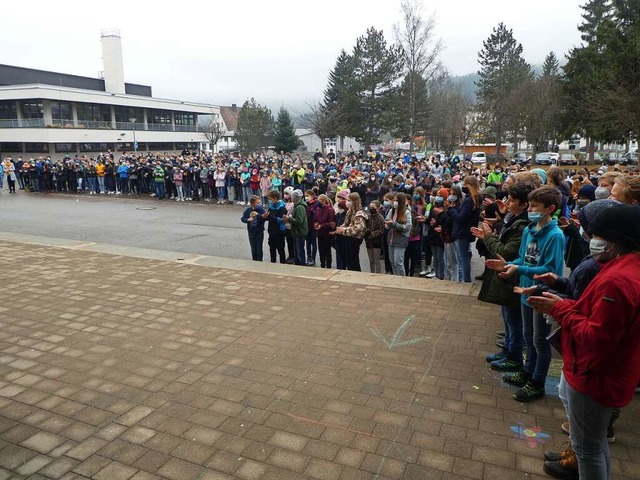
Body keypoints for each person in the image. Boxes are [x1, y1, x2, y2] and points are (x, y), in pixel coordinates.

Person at [528, 204, 640, 480]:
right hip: (606, 371)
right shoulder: (623, 267)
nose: (592, 240)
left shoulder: (618, 280)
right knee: (594, 443)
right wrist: (563, 295)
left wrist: (560, 309)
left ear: (616, 240)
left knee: (588, 449)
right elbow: (594, 311)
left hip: (596, 373)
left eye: (597, 235)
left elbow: (597, 338)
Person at [486, 185, 566, 402]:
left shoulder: (555, 236)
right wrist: (507, 265)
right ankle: (527, 371)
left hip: (541, 294)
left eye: (534, 206)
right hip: (524, 291)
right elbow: (522, 259)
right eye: (529, 205)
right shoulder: (530, 230)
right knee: (529, 337)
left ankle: (537, 381)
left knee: (540, 340)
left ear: (549, 208)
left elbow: (549, 271)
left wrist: (518, 269)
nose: (530, 209)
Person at [475, 181, 535, 372]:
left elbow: (504, 252)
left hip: (513, 278)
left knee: (514, 320)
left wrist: (488, 237)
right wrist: (502, 218)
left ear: (524, 205)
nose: (507, 203)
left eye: (511, 200)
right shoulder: (515, 220)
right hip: (507, 278)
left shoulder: (523, 225)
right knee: (507, 317)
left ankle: (514, 356)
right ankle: (508, 350)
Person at [448, 176, 482, 282]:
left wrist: (452, 209)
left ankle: (465, 279)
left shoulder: (469, 200)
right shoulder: (472, 198)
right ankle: (463, 278)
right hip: (464, 231)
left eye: (465, 184)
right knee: (462, 257)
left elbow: (461, 218)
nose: (463, 186)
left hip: (463, 232)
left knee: (462, 257)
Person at [335, 192, 367, 271]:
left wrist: (343, 230)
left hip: (355, 239)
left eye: (349, 200)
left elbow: (357, 229)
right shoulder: (350, 211)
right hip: (348, 238)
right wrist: (341, 227)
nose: (347, 202)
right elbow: (346, 223)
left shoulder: (359, 214)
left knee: (353, 261)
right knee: (348, 260)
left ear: (354, 201)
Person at [385, 192, 412, 276]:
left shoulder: (406, 212)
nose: (395, 202)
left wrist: (394, 224)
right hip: (391, 239)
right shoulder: (391, 211)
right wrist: (387, 224)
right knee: (392, 262)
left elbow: (407, 227)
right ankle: (395, 279)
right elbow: (387, 222)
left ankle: (402, 280)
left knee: (398, 262)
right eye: (394, 200)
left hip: (401, 240)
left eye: (397, 201)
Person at [264, 190, 287, 264]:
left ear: (275, 198)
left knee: (280, 249)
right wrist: (266, 217)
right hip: (271, 231)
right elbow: (269, 217)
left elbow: (280, 220)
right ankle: (272, 262)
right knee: (272, 248)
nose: (270, 201)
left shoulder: (282, 207)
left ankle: (282, 263)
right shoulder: (270, 206)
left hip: (279, 231)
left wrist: (270, 216)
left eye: (271, 199)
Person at [241, 195, 266, 261]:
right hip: (251, 231)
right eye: (257, 203)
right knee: (253, 247)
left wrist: (258, 215)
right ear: (252, 204)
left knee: (259, 247)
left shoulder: (261, 210)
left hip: (259, 231)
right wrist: (247, 220)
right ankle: (254, 260)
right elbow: (243, 218)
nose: (259, 204)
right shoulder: (248, 210)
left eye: (259, 203)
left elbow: (264, 218)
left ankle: (259, 260)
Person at [313, 194, 336, 269]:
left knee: (327, 251)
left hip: (327, 234)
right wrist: (315, 224)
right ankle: (322, 265)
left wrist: (321, 226)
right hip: (319, 233)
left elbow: (331, 222)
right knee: (321, 251)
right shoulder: (318, 209)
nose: (318, 202)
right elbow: (315, 219)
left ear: (324, 201)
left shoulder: (330, 210)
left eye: (320, 200)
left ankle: (328, 265)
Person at [287, 189, 308, 266]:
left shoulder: (299, 207)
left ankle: (301, 265)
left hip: (299, 232)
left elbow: (299, 221)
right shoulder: (297, 206)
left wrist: (289, 219)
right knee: (297, 251)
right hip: (296, 232)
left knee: (299, 252)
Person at [365, 200, 385, 274]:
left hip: (377, 241)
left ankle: (378, 274)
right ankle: (372, 273)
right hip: (368, 241)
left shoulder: (380, 218)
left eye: (373, 207)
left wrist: (371, 234)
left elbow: (381, 230)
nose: (371, 209)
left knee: (376, 260)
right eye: (370, 207)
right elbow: (365, 226)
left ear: (378, 208)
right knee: (371, 260)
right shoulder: (368, 216)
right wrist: (366, 232)